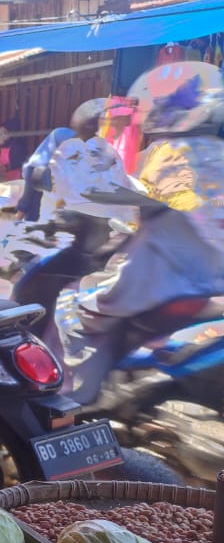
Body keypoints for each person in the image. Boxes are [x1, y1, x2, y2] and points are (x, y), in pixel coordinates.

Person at [59, 63, 224, 404]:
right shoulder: (215, 152)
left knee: (73, 308)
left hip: (163, 278)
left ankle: (73, 402)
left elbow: (126, 198)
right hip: (214, 282)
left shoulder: (167, 153)